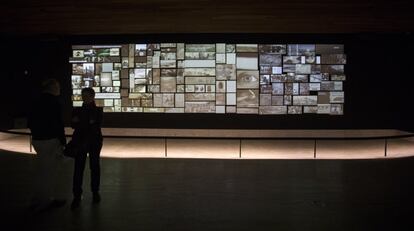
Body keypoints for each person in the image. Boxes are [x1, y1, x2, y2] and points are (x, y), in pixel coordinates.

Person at [28, 78, 67, 212]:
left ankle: (37, 199)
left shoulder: (35, 100)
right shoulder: (54, 102)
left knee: (41, 171)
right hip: (50, 140)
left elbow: (30, 121)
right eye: (58, 87)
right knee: (48, 173)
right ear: (53, 88)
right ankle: (44, 202)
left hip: (37, 139)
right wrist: (63, 141)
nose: (59, 90)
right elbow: (58, 124)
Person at [70, 87, 103, 209]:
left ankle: (95, 192)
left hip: (93, 142)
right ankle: (77, 195)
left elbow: (94, 125)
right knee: (79, 169)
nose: (84, 98)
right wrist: (87, 122)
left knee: (94, 167)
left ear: (92, 96)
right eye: (83, 95)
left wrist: (81, 122)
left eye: (87, 95)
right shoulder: (78, 110)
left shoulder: (97, 111)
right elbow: (74, 124)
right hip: (81, 142)